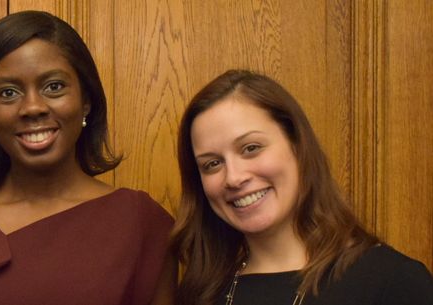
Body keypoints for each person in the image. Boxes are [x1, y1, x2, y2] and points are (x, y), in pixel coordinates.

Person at [0, 10, 175, 305]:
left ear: (86, 101)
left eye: (54, 87)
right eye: (8, 92)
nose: (32, 107)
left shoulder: (141, 224)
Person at [171, 69, 433, 305]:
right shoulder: (202, 292)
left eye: (251, 148)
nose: (234, 178)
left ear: (298, 145)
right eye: (212, 164)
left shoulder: (393, 281)